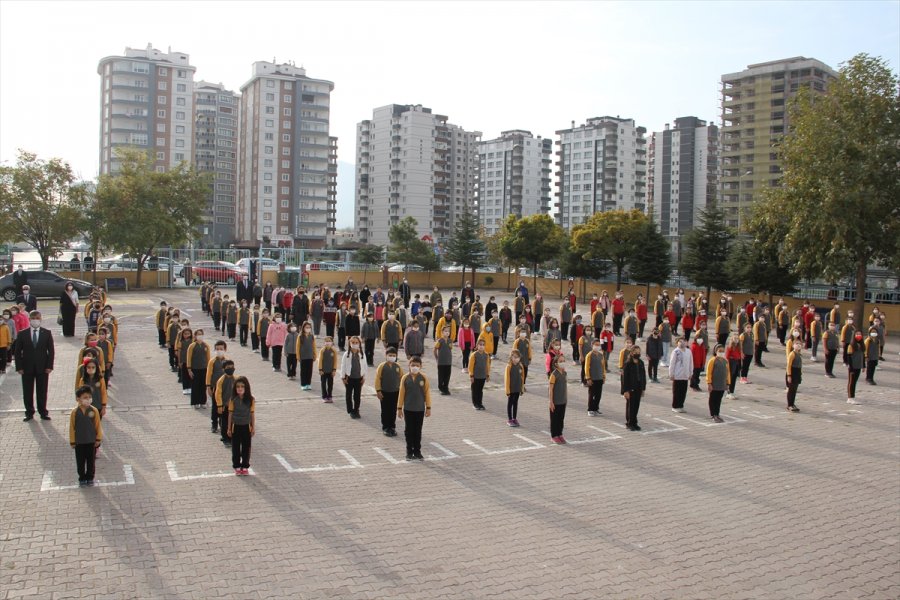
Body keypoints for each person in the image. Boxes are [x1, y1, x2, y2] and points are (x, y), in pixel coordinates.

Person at [15, 310, 54, 421]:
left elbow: (51, 351)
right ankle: (29, 412)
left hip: (42, 367)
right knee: (27, 391)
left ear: (41, 319)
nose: (35, 320)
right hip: (27, 368)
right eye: (33, 318)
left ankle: (43, 412)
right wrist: (19, 367)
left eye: (37, 318)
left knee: (42, 390)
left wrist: (49, 366)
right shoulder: (22, 333)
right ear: (29, 319)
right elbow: (17, 352)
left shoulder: (47, 333)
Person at [397, 357, 431, 460]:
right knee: (409, 430)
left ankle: (417, 451)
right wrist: (399, 408)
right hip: (408, 409)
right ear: (409, 365)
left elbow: (427, 393)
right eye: (413, 365)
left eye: (417, 365)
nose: (415, 367)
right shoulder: (405, 378)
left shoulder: (423, 378)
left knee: (417, 431)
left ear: (421, 366)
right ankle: (409, 451)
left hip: (420, 409)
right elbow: (401, 393)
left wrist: (428, 407)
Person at [69, 386, 102, 485]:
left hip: (91, 441)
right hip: (79, 442)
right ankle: (82, 477)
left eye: (89, 397)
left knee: (91, 461)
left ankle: (90, 477)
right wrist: (72, 441)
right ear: (78, 399)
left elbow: (98, 426)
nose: (88, 399)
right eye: (85, 397)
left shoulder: (94, 410)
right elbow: (72, 427)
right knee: (80, 461)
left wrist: (98, 439)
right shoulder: (75, 412)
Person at [227, 376, 256, 476]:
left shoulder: (251, 400)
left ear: (246, 388)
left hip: (246, 427)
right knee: (235, 448)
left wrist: (253, 427)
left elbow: (252, 414)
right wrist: (229, 428)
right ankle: (237, 466)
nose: (240, 388)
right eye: (238, 386)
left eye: (242, 386)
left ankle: (245, 466)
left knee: (246, 448)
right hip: (236, 427)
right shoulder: (232, 400)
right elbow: (230, 414)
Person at [375, 347, 403, 437]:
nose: (392, 357)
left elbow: (402, 378)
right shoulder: (382, 366)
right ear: (386, 356)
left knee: (393, 410)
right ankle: (386, 427)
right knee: (385, 410)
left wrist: (402, 391)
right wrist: (378, 390)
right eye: (390, 355)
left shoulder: (398, 367)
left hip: (395, 392)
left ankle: (392, 427)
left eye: (394, 355)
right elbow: (377, 379)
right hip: (384, 392)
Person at [340, 336, 367, 419]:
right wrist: (343, 377)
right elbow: (343, 365)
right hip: (349, 378)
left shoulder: (362, 353)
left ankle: (356, 409)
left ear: (359, 343)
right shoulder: (346, 354)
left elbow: (365, 366)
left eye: (356, 343)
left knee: (357, 395)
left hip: (359, 378)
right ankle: (350, 410)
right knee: (348, 394)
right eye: (353, 343)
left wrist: (364, 377)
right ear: (350, 343)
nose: (355, 344)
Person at [621, 346, 647, 431]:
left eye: (639, 352)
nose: (637, 353)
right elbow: (624, 378)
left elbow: (643, 376)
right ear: (631, 353)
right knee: (630, 406)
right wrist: (625, 391)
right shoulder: (628, 364)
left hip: (638, 388)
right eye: (635, 352)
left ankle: (634, 422)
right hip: (630, 388)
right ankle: (629, 423)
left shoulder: (641, 363)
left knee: (636, 406)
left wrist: (643, 388)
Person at [205, 341, 228, 433]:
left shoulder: (227, 361)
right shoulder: (212, 361)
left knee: (223, 406)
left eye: (221, 349)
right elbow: (209, 374)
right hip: (215, 387)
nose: (219, 351)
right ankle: (214, 423)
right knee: (215, 406)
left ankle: (222, 423)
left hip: (225, 388)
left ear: (225, 349)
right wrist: (208, 386)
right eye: (217, 349)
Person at [186, 329, 210, 408]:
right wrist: (189, 369)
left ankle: (203, 401)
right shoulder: (192, 346)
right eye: (198, 334)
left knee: (203, 386)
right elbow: (189, 358)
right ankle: (195, 402)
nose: (200, 336)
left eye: (201, 334)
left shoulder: (206, 345)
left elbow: (208, 358)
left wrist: (209, 369)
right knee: (195, 386)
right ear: (195, 336)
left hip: (204, 369)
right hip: (195, 369)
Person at [214, 360, 236, 446]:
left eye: (232, 367)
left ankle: (232, 437)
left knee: (233, 422)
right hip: (224, 406)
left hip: (233, 406)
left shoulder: (236, 379)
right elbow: (218, 393)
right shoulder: (221, 380)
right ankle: (225, 438)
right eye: (228, 368)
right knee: (225, 423)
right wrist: (219, 405)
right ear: (223, 369)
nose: (231, 369)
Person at [706, 344, 730, 422]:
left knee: (719, 400)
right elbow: (709, 373)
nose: (721, 353)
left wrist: (728, 383)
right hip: (714, 384)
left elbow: (728, 373)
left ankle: (717, 414)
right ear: (716, 351)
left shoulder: (725, 361)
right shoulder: (712, 360)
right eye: (720, 351)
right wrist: (709, 383)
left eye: (723, 351)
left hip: (722, 384)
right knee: (713, 399)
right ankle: (713, 414)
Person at [548, 355, 569, 444]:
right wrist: (551, 401)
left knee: (561, 419)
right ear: (556, 364)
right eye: (560, 361)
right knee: (554, 419)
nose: (562, 363)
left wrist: (566, 398)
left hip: (562, 400)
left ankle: (560, 434)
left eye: (563, 361)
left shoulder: (564, 373)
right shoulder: (554, 374)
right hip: (555, 401)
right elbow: (551, 389)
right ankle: (554, 435)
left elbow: (565, 387)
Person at [668, 337, 693, 413]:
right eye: (680, 341)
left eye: (684, 341)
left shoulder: (688, 351)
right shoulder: (676, 352)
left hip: (685, 375)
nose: (682, 343)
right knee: (677, 392)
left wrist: (690, 373)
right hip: (677, 375)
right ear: (677, 343)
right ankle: (675, 406)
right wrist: (671, 374)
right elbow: (672, 363)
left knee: (683, 392)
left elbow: (691, 363)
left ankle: (681, 405)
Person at [584, 338, 606, 417]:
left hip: (600, 378)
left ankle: (596, 408)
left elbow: (603, 366)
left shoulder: (601, 355)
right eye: (596, 345)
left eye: (598, 345)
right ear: (592, 345)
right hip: (592, 378)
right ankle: (590, 409)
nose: (597, 346)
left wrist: (604, 376)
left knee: (598, 395)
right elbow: (586, 367)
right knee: (591, 394)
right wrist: (588, 378)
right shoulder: (589, 355)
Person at [468, 339, 491, 411]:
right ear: (477, 345)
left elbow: (487, 365)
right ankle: (475, 404)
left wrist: (487, 375)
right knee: (475, 390)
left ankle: (480, 403)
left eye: (483, 345)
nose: (482, 346)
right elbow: (470, 366)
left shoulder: (486, 355)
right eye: (480, 344)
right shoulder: (474, 355)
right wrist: (471, 375)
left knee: (480, 390)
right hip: (475, 376)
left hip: (482, 376)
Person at [505, 350, 525, 427]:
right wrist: (507, 390)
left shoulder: (520, 366)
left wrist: (522, 388)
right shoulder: (509, 366)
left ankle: (514, 418)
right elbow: (507, 379)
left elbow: (522, 378)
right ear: (511, 357)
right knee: (510, 403)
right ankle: (509, 419)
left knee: (515, 403)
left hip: (517, 388)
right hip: (511, 389)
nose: (516, 359)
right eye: (515, 357)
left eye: (518, 357)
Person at [433, 326, 454, 395]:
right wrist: (437, 358)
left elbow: (450, 349)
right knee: (441, 375)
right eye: (445, 331)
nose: (447, 332)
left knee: (447, 375)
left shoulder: (450, 341)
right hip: (441, 362)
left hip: (448, 361)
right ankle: (441, 388)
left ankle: (446, 388)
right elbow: (435, 349)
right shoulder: (440, 341)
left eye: (448, 331)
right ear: (442, 332)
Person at [297, 322, 317, 391]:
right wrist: (298, 356)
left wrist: (315, 355)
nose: (308, 329)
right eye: (306, 327)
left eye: (309, 327)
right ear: (303, 328)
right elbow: (298, 347)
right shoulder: (300, 336)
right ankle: (303, 384)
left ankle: (308, 384)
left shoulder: (312, 336)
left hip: (310, 356)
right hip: (303, 356)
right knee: (303, 371)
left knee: (309, 371)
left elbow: (314, 346)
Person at [318, 336, 338, 404]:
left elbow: (335, 361)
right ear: (324, 343)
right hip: (323, 371)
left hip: (331, 371)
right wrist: (320, 369)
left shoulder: (334, 351)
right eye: (326, 341)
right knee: (323, 384)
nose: (328, 342)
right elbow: (320, 360)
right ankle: (324, 396)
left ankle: (330, 396)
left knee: (330, 384)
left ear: (332, 342)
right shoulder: (322, 350)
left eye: (329, 341)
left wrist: (334, 370)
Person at [846, 332, 864, 405]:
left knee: (854, 382)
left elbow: (862, 356)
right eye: (857, 334)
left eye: (860, 334)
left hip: (858, 366)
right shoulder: (851, 345)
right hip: (853, 367)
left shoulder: (861, 345)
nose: (858, 336)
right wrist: (851, 368)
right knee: (851, 382)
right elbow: (849, 357)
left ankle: (852, 397)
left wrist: (863, 366)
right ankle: (850, 398)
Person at [785, 343, 803, 413]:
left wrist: (800, 374)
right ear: (793, 346)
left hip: (797, 373)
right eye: (796, 344)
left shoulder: (799, 354)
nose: (798, 345)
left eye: (799, 344)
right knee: (791, 390)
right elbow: (788, 365)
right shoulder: (792, 354)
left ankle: (792, 403)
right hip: (792, 372)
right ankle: (789, 405)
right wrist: (789, 375)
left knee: (794, 390)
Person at [725, 335, 742, 400]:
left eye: (737, 338)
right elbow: (727, 357)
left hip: (737, 363)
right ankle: (728, 392)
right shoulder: (730, 347)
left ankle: (732, 392)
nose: (736, 340)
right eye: (735, 338)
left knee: (734, 378)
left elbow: (739, 355)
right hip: (731, 363)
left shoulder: (738, 347)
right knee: (730, 379)